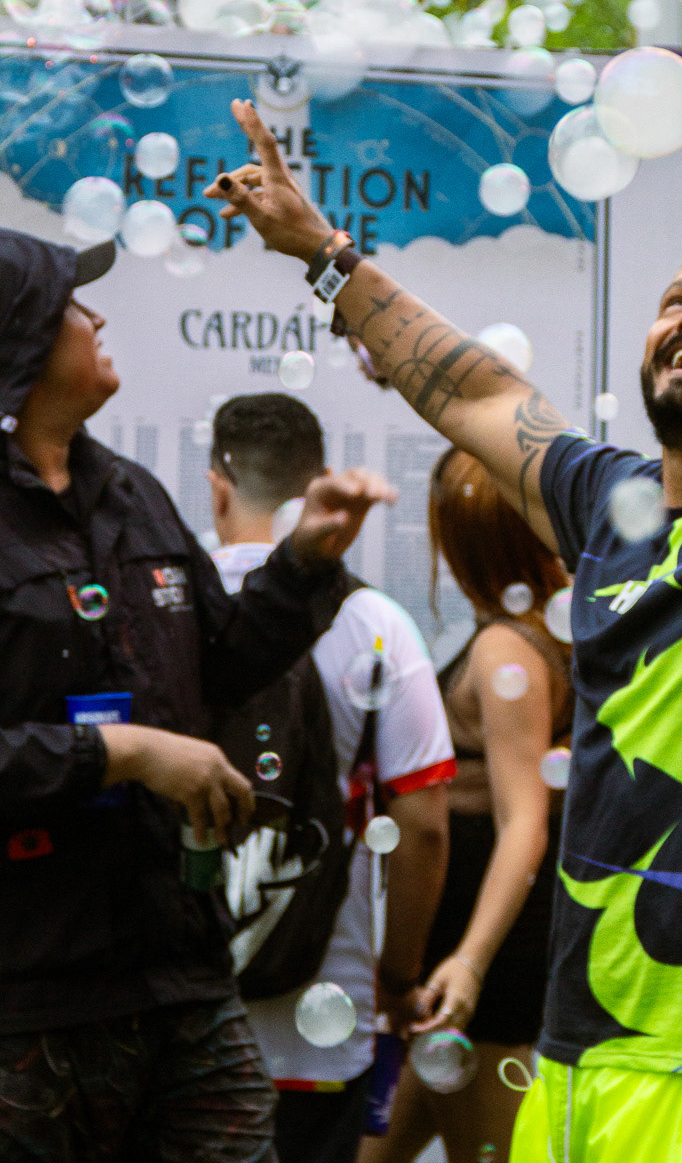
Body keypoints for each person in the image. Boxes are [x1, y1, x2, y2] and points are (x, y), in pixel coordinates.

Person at [209, 56, 682, 1163]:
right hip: (576, 1051)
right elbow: (469, 388)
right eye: (676, 300)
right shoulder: (610, 504)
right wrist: (324, 251)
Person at [0, 227, 393, 1163]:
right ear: (17, 338)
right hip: (26, 1001)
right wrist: (126, 753)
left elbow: (217, 662)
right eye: (69, 304)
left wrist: (306, 562)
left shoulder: (130, 492)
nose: (95, 317)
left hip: (182, 973)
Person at [207, 392, 455, 1163]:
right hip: (326, 1021)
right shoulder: (379, 624)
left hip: (183, 1027)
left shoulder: (167, 607)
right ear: (318, 486)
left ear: (217, 485)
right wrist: (397, 976)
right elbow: (424, 826)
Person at [362, 450, 574, 1163]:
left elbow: (524, 821)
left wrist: (470, 963)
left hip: (485, 960)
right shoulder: (551, 628)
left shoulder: (504, 650)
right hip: (466, 957)